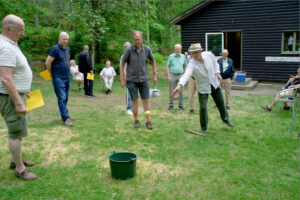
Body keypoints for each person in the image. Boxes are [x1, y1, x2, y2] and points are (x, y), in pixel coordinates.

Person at [0, 14, 37, 180]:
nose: (23, 33)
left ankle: (17, 159)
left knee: (18, 130)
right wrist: (18, 102)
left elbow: (13, 74)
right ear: (9, 29)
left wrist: (23, 90)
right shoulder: (6, 47)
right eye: (20, 30)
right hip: (10, 97)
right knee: (15, 131)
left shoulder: (10, 44)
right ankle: (20, 170)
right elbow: (5, 77)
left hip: (16, 93)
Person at [172, 43, 234, 134]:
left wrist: (217, 73)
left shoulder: (209, 55)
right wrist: (180, 85)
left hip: (214, 83)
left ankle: (226, 119)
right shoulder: (192, 63)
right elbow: (186, 75)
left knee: (221, 103)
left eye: (196, 53)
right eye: (192, 53)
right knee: (203, 108)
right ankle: (203, 128)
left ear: (200, 51)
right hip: (203, 87)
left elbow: (215, 64)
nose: (193, 55)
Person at [120, 31, 157, 129]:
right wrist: (122, 79)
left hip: (144, 79)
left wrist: (154, 74)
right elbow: (122, 64)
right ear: (133, 40)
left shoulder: (147, 49)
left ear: (142, 39)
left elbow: (153, 61)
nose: (136, 41)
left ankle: (148, 120)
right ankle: (136, 120)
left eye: (138, 39)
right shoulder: (128, 50)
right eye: (135, 40)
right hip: (132, 80)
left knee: (146, 100)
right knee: (134, 100)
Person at [45, 32, 74, 126]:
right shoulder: (55, 49)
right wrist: (50, 73)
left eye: (67, 39)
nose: (65, 41)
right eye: (64, 39)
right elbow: (48, 62)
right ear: (59, 39)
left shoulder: (67, 49)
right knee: (61, 97)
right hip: (58, 77)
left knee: (65, 97)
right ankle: (66, 118)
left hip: (67, 77)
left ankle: (64, 115)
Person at [167, 44, 187, 110]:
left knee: (181, 91)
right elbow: (168, 66)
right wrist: (168, 75)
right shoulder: (171, 56)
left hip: (181, 75)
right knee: (171, 90)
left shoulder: (183, 56)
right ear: (174, 49)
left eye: (179, 49)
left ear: (181, 49)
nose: (178, 50)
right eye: (176, 49)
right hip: (172, 75)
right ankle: (171, 104)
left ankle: (180, 104)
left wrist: (185, 74)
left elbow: (185, 65)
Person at [120, 42, 133, 115]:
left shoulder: (133, 55)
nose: (127, 48)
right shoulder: (123, 56)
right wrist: (125, 76)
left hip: (135, 77)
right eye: (126, 47)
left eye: (128, 47)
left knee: (133, 93)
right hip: (128, 77)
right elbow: (122, 68)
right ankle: (128, 108)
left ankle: (132, 107)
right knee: (129, 93)